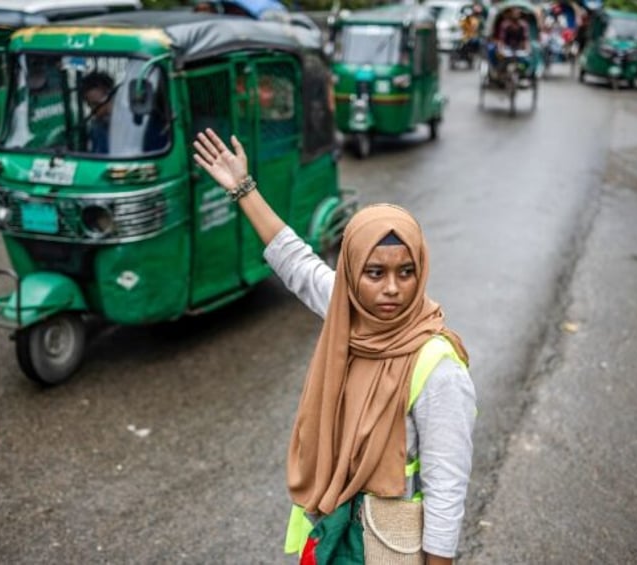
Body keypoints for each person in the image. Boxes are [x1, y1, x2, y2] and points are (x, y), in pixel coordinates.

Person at [192, 128, 477, 565]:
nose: (392, 290)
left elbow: (447, 491)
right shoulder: (349, 314)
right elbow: (295, 260)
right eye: (375, 272)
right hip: (332, 526)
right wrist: (243, 189)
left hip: (388, 544)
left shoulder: (439, 367)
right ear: (351, 275)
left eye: (406, 273)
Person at [80, 71, 115, 155]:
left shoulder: (127, 121)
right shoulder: (97, 127)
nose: (93, 110)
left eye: (96, 104)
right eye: (89, 105)